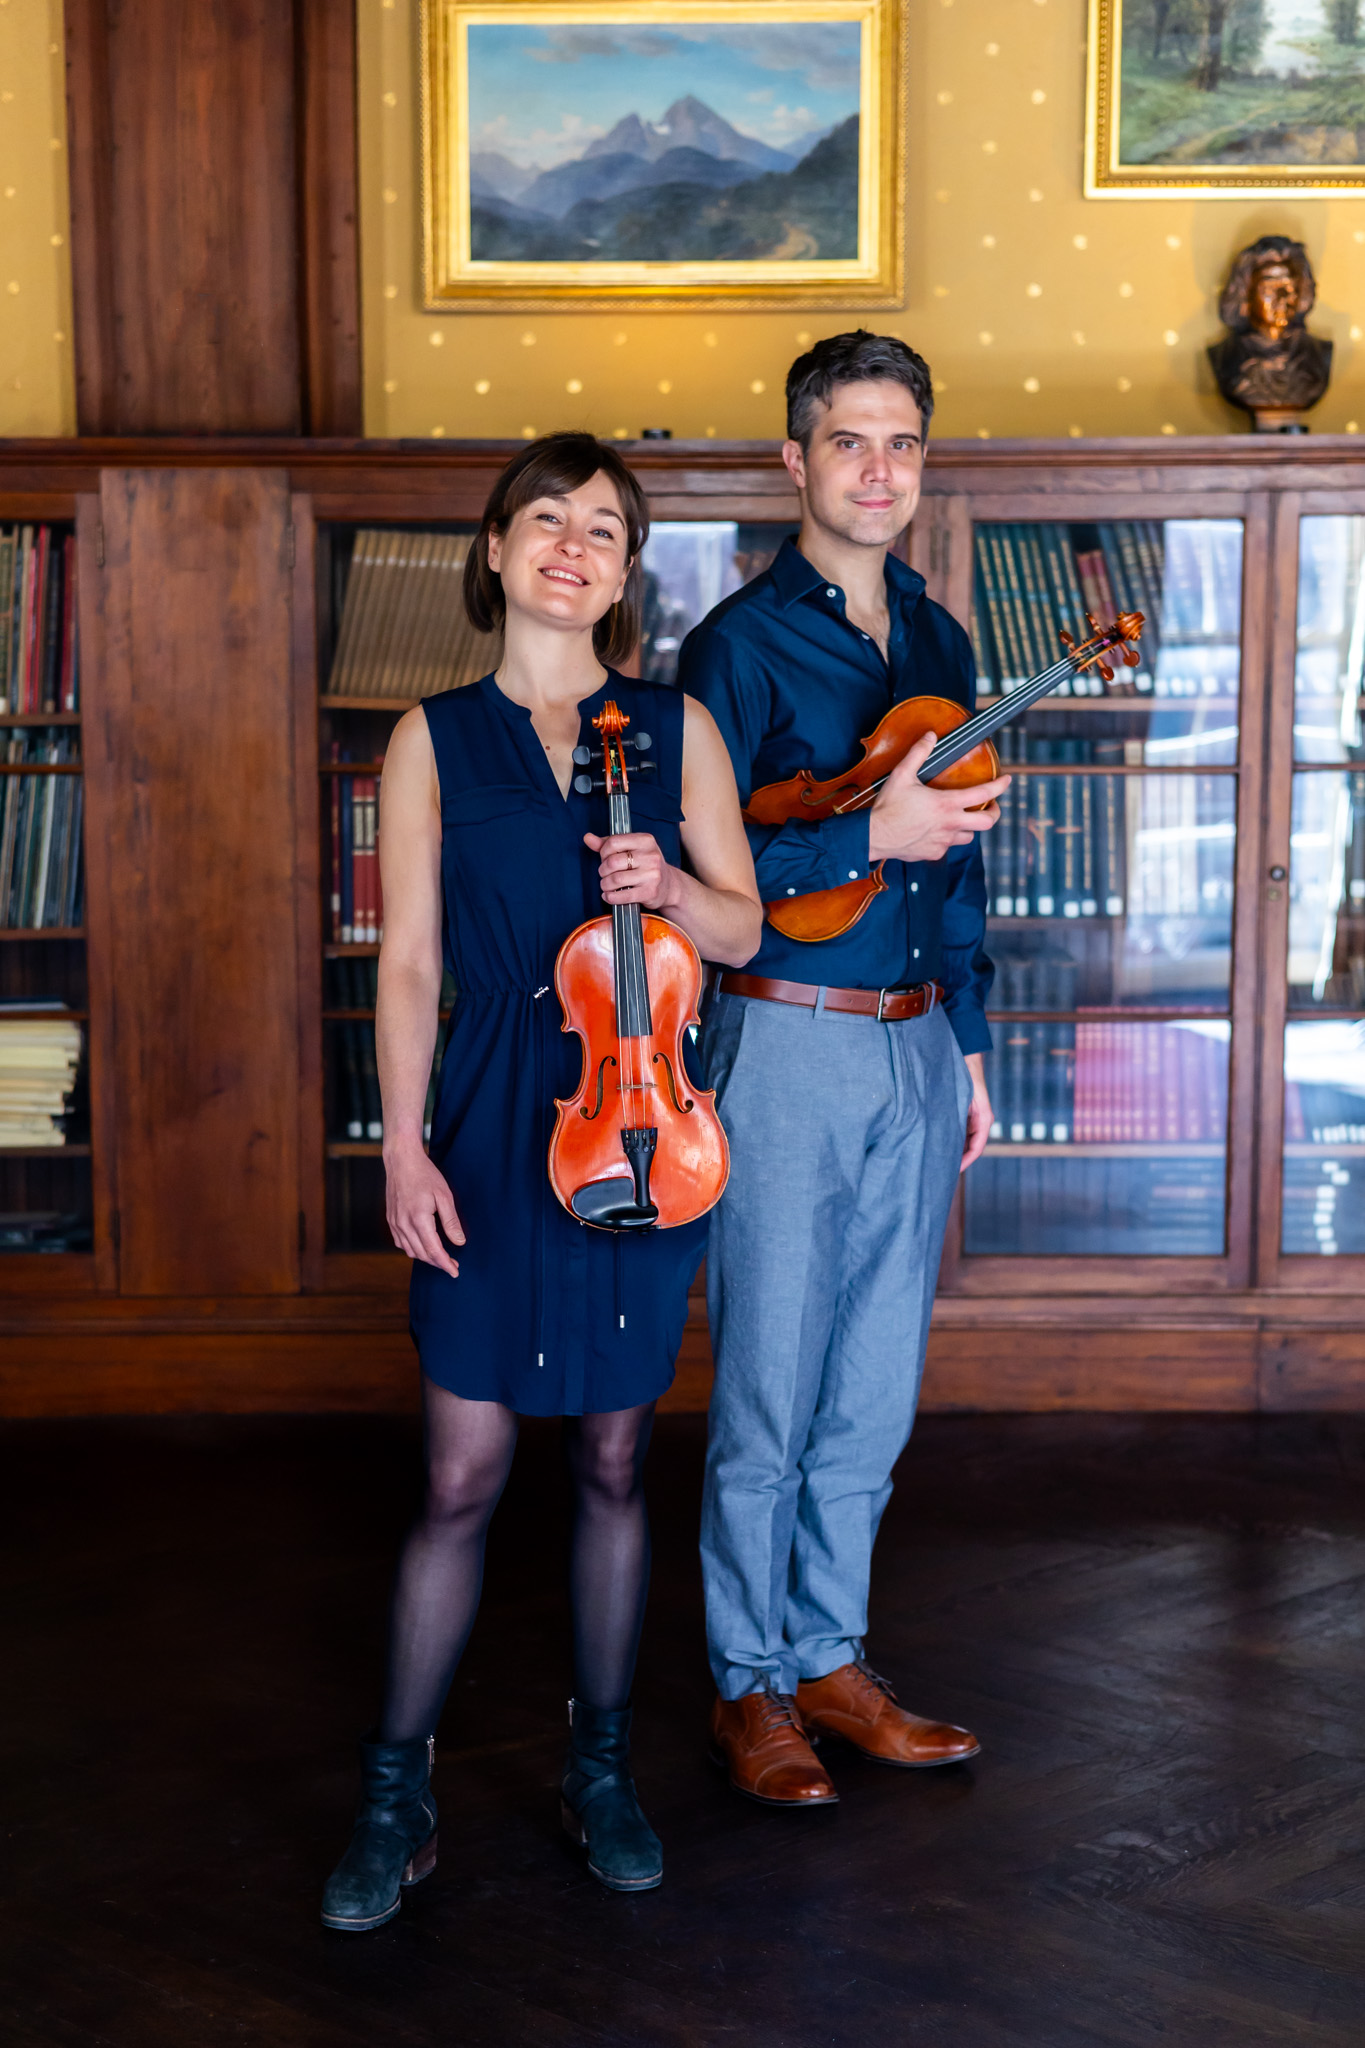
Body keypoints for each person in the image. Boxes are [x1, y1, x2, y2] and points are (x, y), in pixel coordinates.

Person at [322, 433, 761, 1927]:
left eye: (606, 530)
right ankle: (395, 1792)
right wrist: (401, 1146)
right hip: (494, 1113)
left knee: (619, 1463)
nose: (575, 547)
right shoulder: (428, 738)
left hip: (634, 1117)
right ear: (498, 552)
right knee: (459, 1474)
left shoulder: (678, 727)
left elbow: (747, 933)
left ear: (626, 574)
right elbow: (411, 971)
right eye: (548, 522)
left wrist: (678, 896)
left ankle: (599, 1771)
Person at [677, 331, 1006, 1807]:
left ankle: (829, 1656)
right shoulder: (735, 647)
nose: (879, 470)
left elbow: (968, 867)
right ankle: (745, 1682)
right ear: (795, 461)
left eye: (903, 445)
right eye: (851, 442)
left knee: (872, 1388)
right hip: (785, 1032)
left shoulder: (937, 643)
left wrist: (973, 1042)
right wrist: (865, 839)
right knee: (769, 1378)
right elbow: (709, 867)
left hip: (916, 1046)